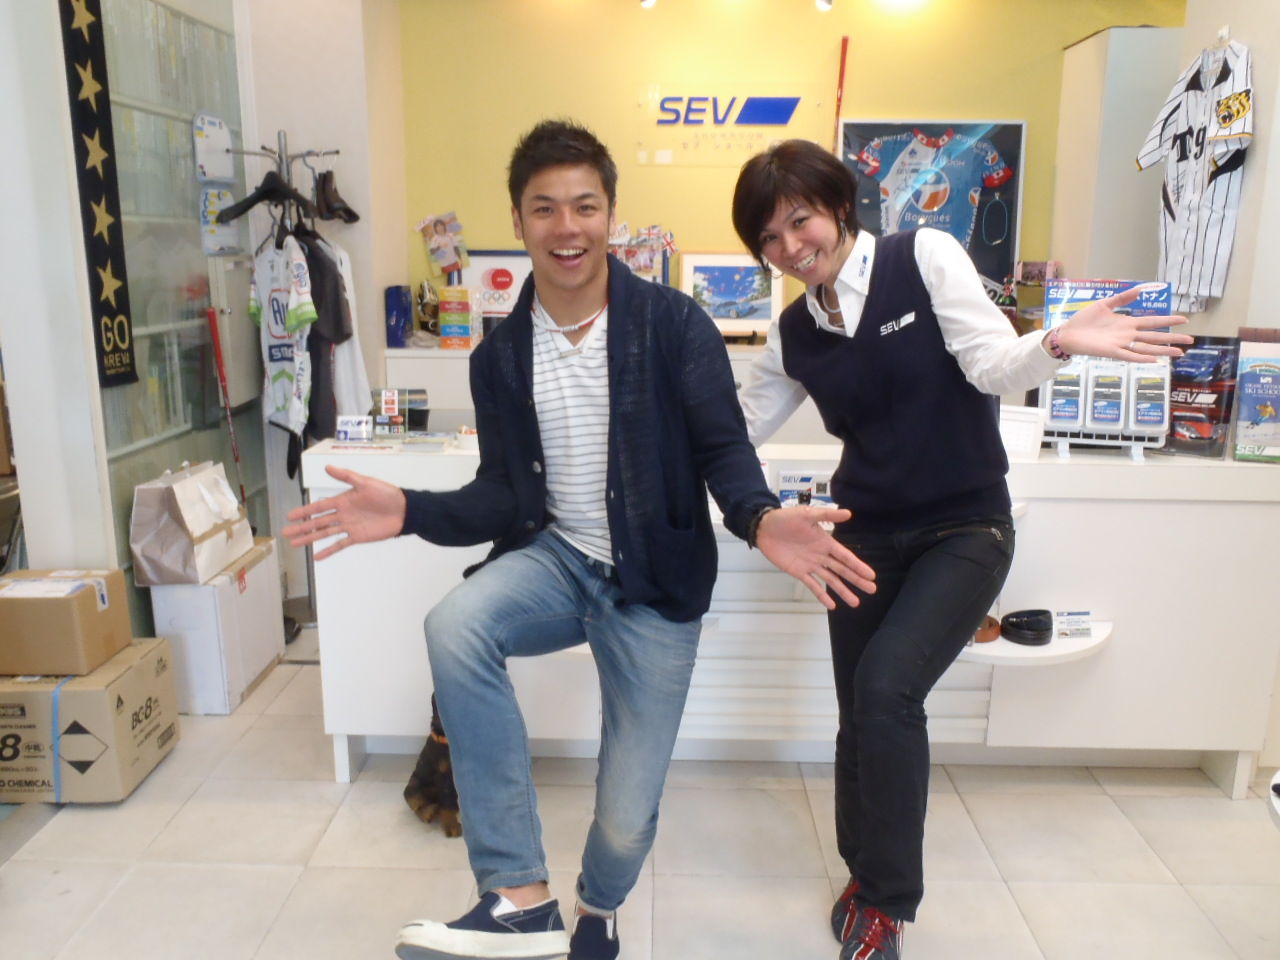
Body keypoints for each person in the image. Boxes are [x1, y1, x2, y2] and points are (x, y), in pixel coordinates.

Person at [283, 120, 875, 960]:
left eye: (585, 206)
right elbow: (501, 496)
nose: (568, 227)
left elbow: (722, 449)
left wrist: (758, 515)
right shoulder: (499, 356)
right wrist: (409, 509)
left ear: (611, 215)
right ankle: (519, 898)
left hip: (657, 582)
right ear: (519, 220)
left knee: (626, 820)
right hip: (561, 562)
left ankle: (597, 911)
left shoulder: (672, 325)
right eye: (546, 208)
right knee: (455, 626)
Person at [729, 139, 1192, 960]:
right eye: (769, 238)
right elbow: (733, 430)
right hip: (863, 535)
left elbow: (992, 366)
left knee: (887, 690)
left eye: (800, 221)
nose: (791, 247)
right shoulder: (795, 331)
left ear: (839, 205)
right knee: (858, 716)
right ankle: (863, 873)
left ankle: (887, 903)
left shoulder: (922, 257)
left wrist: (1056, 342)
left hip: (966, 527)